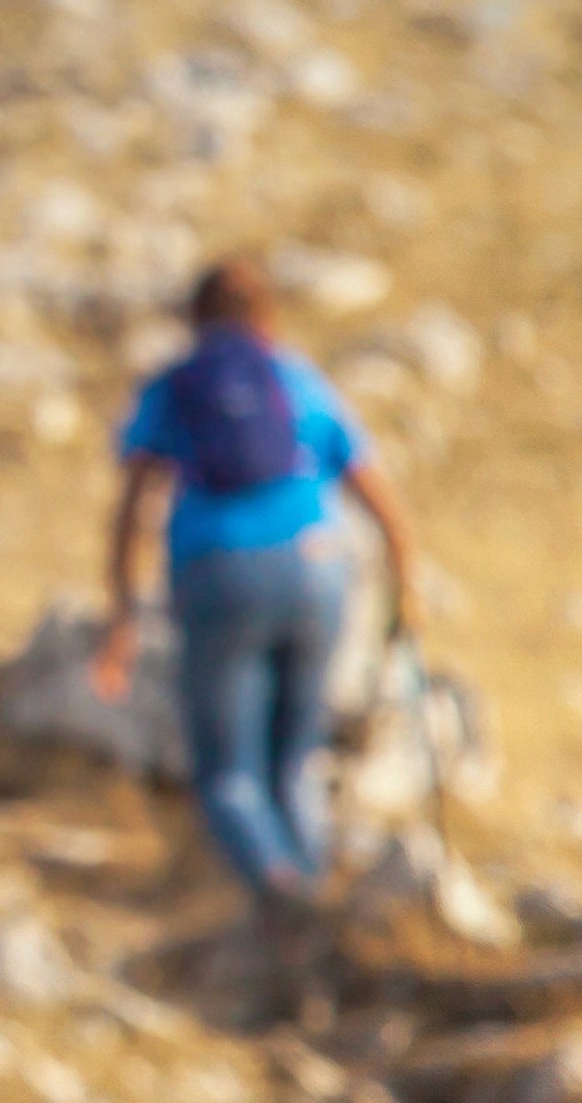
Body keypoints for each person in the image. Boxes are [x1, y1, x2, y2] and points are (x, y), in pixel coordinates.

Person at [88, 256, 425, 910]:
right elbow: (376, 490)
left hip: (218, 575)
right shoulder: (298, 379)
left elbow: (132, 506)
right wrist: (404, 583)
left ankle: (280, 894)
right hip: (319, 569)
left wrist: (122, 616)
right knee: (297, 758)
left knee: (227, 774)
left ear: (195, 320)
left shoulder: (175, 388)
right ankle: (318, 896)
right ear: (268, 319)